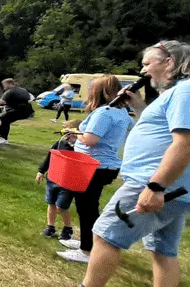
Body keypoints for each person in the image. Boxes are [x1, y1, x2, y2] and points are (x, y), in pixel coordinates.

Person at [78, 41, 190, 287]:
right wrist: (137, 106)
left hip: (156, 183)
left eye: (147, 64)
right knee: (163, 250)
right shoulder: (175, 93)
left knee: (106, 235)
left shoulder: (185, 91)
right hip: (174, 188)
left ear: (169, 62)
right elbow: (160, 132)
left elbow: (184, 144)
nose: (143, 71)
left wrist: (156, 186)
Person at [54, 75, 133, 263]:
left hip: (94, 167)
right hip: (105, 166)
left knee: (86, 208)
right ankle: (87, 242)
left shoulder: (104, 112)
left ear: (100, 92)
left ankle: (87, 251)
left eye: (92, 90)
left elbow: (91, 139)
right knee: (89, 206)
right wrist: (78, 139)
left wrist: (74, 133)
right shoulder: (122, 112)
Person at [36, 119, 81, 241]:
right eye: (64, 132)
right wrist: (41, 171)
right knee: (51, 204)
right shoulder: (59, 143)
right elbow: (49, 157)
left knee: (61, 207)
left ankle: (68, 228)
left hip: (67, 183)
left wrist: (76, 145)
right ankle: (50, 227)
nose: (66, 136)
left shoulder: (80, 148)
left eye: (69, 133)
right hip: (53, 179)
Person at [0, 78, 33, 145]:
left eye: (4, 84)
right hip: (27, 110)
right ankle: (0, 135)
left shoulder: (10, 91)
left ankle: (3, 139)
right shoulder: (22, 90)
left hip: (19, 110)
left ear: (10, 84)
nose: (3, 86)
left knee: (4, 120)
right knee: (4, 119)